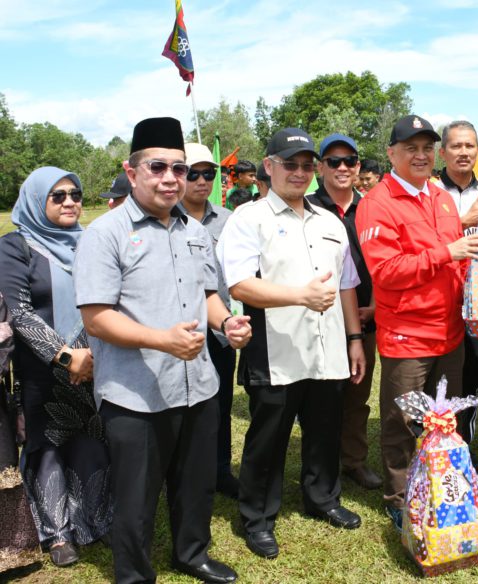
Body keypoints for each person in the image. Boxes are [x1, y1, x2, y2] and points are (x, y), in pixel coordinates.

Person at [74, 117, 251, 584]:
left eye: (179, 167)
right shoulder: (105, 234)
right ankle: (133, 574)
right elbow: (96, 318)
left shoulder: (194, 230)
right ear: (132, 173)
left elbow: (209, 294)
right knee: (137, 495)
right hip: (136, 393)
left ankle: (192, 553)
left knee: (196, 484)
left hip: (198, 386)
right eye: (159, 167)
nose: (171, 178)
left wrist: (226, 323)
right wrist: (162, 341)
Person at [216, 127, 366, 560]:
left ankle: (323, 498)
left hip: (328, 349)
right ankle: (258, 517)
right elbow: (241, 286)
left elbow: (347, 287)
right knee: (269, 436)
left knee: (324, 430)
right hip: (275, 349)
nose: (299, 173)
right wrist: (300, 295)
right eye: (290, 164)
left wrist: (354, 339)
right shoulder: (249, 218)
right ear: (269, 166)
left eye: (306, 165)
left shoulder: (330, 221)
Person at [356, 115, 478, 531]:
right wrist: (447, 252)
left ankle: (436, 482)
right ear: (391, 153)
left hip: (450, 333)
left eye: (427, 147)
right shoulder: (377, 202)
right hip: (408, 337)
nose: (420, 155)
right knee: (402, 422)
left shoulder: (443, 197)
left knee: (443, 420)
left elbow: (460, 261)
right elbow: (387, 271)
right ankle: (398, 496)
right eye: (410, 147)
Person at [0, 167, 113, 567]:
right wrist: (67, 356)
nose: (70, 202)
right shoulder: (16, 247)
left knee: (91, 437)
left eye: (76, 194)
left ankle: (93, 519)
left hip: (97, 364)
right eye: (58, 196)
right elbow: (20, 312)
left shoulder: (91, 241)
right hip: (42, 370)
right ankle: (57, 532)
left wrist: (93, 356)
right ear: (35, 201)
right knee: (46, 445)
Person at [306, 133, 382, 490]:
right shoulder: (304, 206)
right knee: (319, 399)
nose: (341, 167)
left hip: (365, 317)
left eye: (349, 161)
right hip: (314, 319)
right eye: (333, 161)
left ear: (358, 166)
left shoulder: (371, 207)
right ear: (320, 166)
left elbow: (386, 262)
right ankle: (320, 465)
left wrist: (377, 305)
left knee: (356, 394)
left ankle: (352, 460)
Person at [178, 142, 240, 499]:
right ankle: (185, 475)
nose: (202, 181)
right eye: (193, 173)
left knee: (219, 405)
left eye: (209, 173)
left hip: (219, 331)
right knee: (182, 411)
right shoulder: (166, 219)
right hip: (177, 333)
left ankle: (220, 470)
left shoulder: (228, 220)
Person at [435, 120, 478, 454]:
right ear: (443, 152)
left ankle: (463, 446)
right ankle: (430, 442)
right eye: (456, 146)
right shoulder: (428, 191)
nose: (463, 152)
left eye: (469, 145)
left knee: (471, 375)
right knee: (437, 377)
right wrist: (462, 223)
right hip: (438, 297)